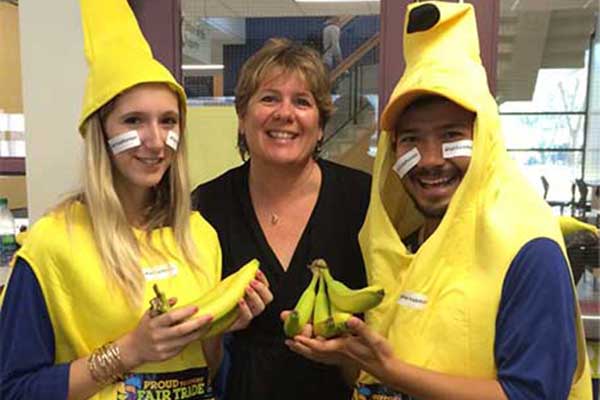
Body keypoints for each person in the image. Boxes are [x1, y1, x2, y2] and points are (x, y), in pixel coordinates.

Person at [285, 2, 592, 399]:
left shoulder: (530, 251)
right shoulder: (399, 244)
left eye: (451, 136)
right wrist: (349, 355)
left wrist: (389, 370)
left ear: (485, 140)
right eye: (411, 140)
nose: (430, 160)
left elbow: (533, 394)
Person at [0, 1, 272, 399]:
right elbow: (13, 389)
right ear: (101, 134)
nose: (156, 140)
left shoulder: (199, 236)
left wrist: (218, 333)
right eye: (133, 121)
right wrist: (131, 350)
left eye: (168, 121)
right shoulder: (51, 245)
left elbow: (208, 373)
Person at [191, 38, 371, 400]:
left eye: (302, 101)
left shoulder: (363, 201)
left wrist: (344, 352)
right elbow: (197, 356)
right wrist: (220, 329)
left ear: (320, 126)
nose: (284, 113)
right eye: (269, 98)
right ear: (242, 118)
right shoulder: (208, 205)